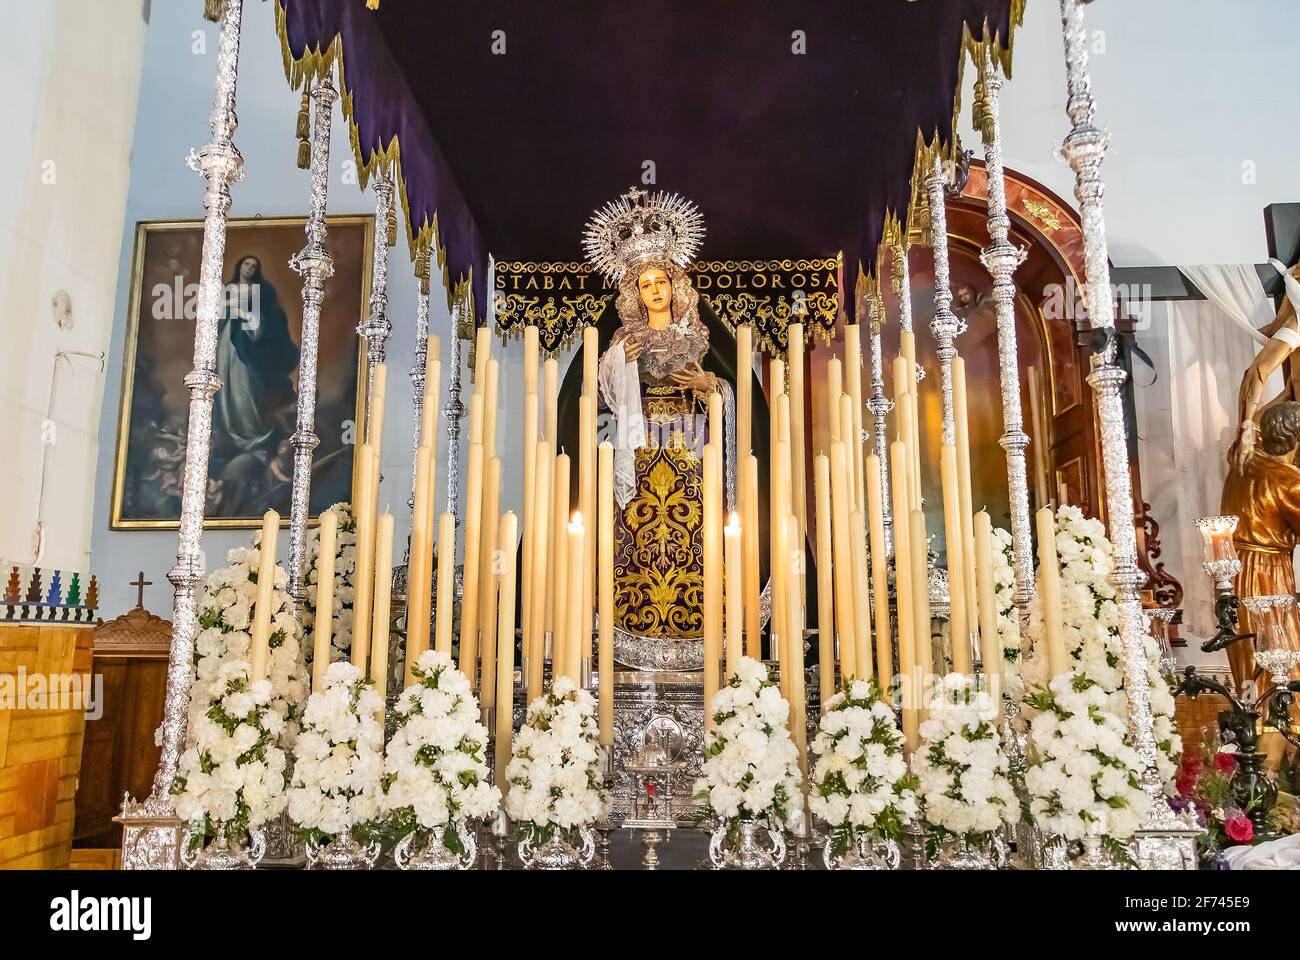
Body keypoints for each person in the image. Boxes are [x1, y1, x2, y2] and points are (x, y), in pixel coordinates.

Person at [556, 187, 773, 670]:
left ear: (676, 285)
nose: (655, 291)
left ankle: (705, 631)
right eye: (645, 284)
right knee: (631, 541)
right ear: (633, 292)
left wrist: (710, 386)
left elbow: (740, 397)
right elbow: (584, 400)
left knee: (698, 542)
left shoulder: (700, 336)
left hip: (693, 457)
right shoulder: (621, 340)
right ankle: (626, 631)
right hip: (636, 452)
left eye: (662, 282)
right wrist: (617, 364)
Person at [1220, 400, 1300, 695]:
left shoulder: (1242, 460)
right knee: (1280, 649)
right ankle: (1278, 727)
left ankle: (1250, 716)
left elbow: (1250, 417)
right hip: (1268, 573)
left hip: (1232, 568)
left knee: (1246, 649)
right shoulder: (1288, 481)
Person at [212, 254, 299, 467]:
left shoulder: (261, 291)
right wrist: (226, 312)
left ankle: (251, 433)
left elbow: (263, 323)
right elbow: (217, 316)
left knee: (244, 387)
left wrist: (243, 314)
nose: (249, 268)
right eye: (246, 264)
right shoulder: (229, 289)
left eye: (253, 265)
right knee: (225, 386)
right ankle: (229, 432)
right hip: (227, 343)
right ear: (239, 265)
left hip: (247, 346)